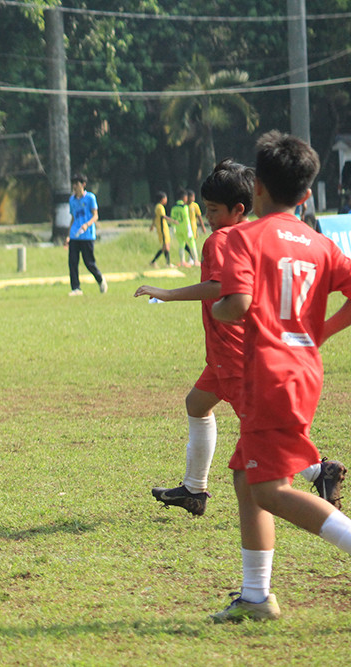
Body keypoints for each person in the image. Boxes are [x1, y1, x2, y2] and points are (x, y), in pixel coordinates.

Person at [135, 159, 345, 518]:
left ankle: (317, 470)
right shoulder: (252, 236)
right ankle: (193, 488)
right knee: (196, 405)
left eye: (213, 210)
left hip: (233, 353)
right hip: (225, 353)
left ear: (239, 209)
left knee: (260, 431)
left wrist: (168, 293)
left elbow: (218, 287)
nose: (209, 217)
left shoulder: (221, 239)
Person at [209, 130, 351, 622]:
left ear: (258, 189)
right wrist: (321, 332)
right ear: (307, 195)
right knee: (244, 477)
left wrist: (221, 309)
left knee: (269, 488)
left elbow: (237, 305)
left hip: (268, 375)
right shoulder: (319, 244)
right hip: (302, 371)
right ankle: (255, 597)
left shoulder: (242, 237)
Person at [66, 173, 107, 296]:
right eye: (73, 184)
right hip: (75, 235)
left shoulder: (90, 198)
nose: (74, 186)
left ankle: (100, 279)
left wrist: (87, 225)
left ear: (83, 185)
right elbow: (73, 218)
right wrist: (68, 235)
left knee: (88, 262)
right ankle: (76, 288)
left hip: (87, 235)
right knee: (72, 262)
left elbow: (95, 216)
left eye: (77, 184)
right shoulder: (72, 200)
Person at [169, 189, 198, 267]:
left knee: (181, 245)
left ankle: (182, 261)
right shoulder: (184, 207)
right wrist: (189, 230)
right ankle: (195, 260)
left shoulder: (173, 208)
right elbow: (186, 219)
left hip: (178, 228)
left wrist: (173, 228)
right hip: (185, 228)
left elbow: (172, 218)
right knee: (192, 243)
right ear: (184, 197)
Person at [148, 191, 173, 268]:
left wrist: (152, 225)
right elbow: (163, 216)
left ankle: (167, 263)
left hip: (163, 228)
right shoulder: (160, 207)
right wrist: (173, 220)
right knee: (165, 247)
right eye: (165, 198)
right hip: (162, 229)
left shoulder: (158, 207)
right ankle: (155, 262)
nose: (166, 200)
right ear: (162, 199)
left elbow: (155, 217)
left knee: (166, 247)